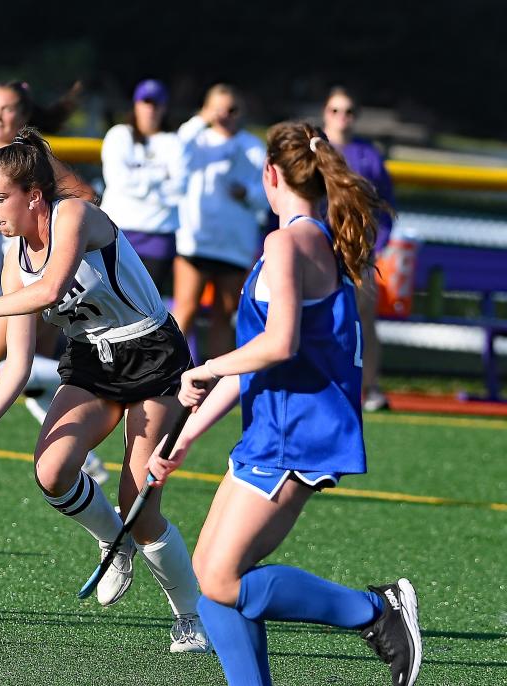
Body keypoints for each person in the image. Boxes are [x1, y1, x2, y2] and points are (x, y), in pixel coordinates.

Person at [148, 122, 422, 685]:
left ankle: (376, 612)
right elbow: (260, 355)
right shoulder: (311, 239)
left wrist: (207, 365)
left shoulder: (288, 242)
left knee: (222, 581)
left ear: (271, 175)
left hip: (295, 432)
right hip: (273, 428)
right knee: (211, 581)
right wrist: (187, 437)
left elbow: (278, 344)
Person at [0, 127, 210, 654]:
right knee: (51, 471)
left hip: (152, 355)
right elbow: (18, 364)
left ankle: (192, 617)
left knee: (139, 504)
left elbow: (49, 289)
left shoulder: (75, 216)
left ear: (33, 195)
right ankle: (109, 543)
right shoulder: (12, 256)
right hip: (93, 359)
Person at [0, 81, 108, 484]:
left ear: (24, 115)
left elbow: (85, 198)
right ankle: (80, 439)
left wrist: (50, 251)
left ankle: (101, 390)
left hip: (45, 275)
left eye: (8, 109)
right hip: (16, 273)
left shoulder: (28, 159)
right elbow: (6, 224)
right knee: (10, 367)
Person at [173, 84, 269, 363]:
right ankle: (166, 378)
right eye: (218, 108)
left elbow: (267, 194)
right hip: (196, 240)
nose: (225, 115)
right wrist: (201, 119)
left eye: (232, 109)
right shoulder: (196, 139)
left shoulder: (253, 147)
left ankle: (214, 382)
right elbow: (176, 151)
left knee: (223, 316)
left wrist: (248, 194)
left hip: (234, 245)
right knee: (186, 310)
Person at [323, 86, 397, 412]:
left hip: (357, 251)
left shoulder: (368, 156)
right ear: (326, 113)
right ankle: (322, 383)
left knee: (363, 317)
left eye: (349, 111)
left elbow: (386, 206)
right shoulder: (313, 151)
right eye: (336, 110)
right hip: (317, 247)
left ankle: (369, 387)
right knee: (316, 317)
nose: (342, 118)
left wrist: (378, 245)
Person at [100, 79, 184, 293]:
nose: (151, 109)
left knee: (147, 303)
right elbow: (117, 180)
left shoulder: (175, 142)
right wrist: (159, 178)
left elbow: (179, 189)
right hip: (118, 230)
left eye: (156, 104)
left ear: (164, 107)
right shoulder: (119, 135)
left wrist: (137, 182)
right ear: (136, 105)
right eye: (146, 102)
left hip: (158, 235)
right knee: (112, 299)